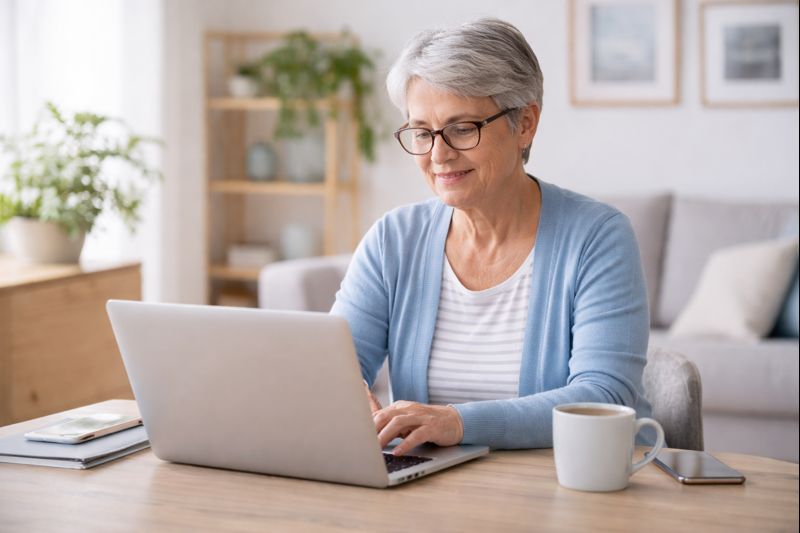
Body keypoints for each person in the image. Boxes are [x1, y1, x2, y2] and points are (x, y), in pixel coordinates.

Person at [330, 18, 652, 457]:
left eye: (462, 128)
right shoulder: (394, 239)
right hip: (432, 485)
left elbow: (603, 398)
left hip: (568, 481)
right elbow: (334, 366)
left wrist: (458, 423)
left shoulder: (598, 237)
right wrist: (346, 395)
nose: (438, 154)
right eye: (422, 132)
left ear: (525, 124)